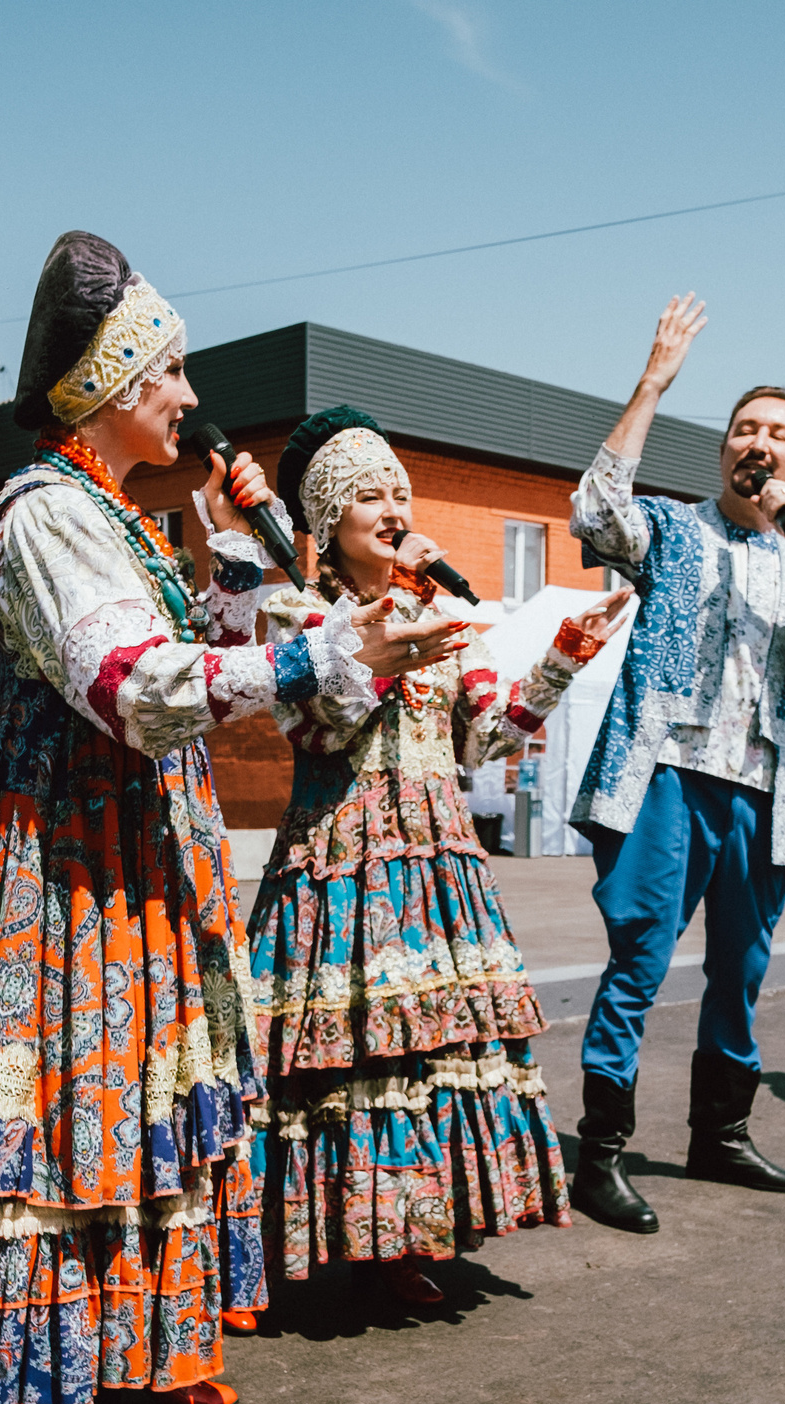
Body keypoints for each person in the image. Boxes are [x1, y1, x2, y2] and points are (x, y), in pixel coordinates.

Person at [0, 232, 461, 1404]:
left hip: (139, 860)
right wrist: (320, 652)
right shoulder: (43, 513)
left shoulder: (111, 512)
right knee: (47, 1111)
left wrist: (243, 565)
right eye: (167, 371)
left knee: (149, 1096)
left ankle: (143, 1345)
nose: (187, 394)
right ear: (108, 385)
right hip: (61, 867)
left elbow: (188, 652)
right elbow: (134, 688)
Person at [244, 407, 626, 1296]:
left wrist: (567, 654)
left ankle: (408, 1232)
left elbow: (486, 737)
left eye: (401, 493)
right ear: (327, 517)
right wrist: (379, 651)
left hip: (436, 860)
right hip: (340, 859)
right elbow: (317, 729)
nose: (394, 509)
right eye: (369, 495)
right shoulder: (298, 614)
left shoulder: (447, 615)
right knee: (337, 1053)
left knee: (429, 1049)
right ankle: (301, 1237)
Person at [563, 294, 785, 1233]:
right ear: (723, 445)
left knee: (740, 969)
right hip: (666, 774)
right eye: (746, 428)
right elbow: (594, 512)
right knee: (640, 960)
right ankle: (600, 1154)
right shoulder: (671, 530)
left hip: (763, 789)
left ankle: (721, 1134)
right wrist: (652, 384)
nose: (759, 443)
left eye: (779, 435)